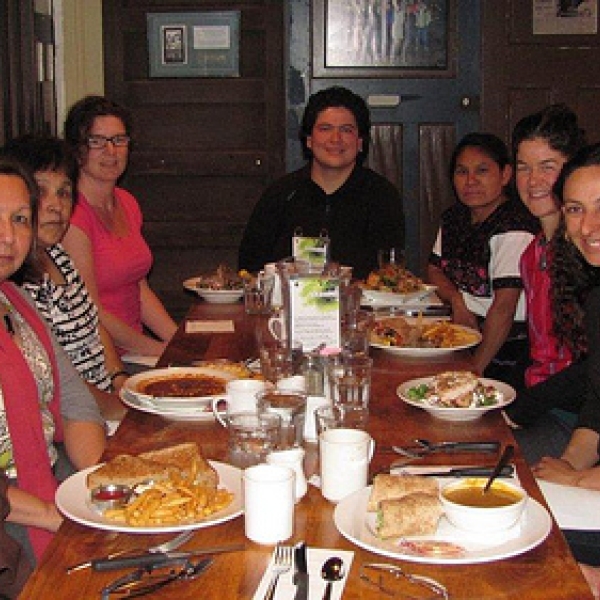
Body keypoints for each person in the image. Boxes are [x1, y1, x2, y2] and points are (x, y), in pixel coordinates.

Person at [0, 158, 105, 566]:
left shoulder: (17, 301)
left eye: (20, 219)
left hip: (50, 483)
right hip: (13, 523)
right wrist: (51, 516)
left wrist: (102, 484)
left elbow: (76, 403)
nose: (7, 236)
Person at [2, 134, 128, 422]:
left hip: (107, 399)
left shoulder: (58, 255)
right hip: (70, 423)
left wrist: (120, 379)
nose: (55, 205)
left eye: (64, 192)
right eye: (41, 191)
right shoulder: (17, 283)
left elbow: (92, 324)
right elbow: (61, 385)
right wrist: (122, 411)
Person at [238, 86, 405, 280]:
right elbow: (249, 267)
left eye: (346, 130)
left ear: (360, 142)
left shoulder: (382, 196)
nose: (336, 139)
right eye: (325, 129)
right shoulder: (280, 194)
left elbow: (390, 274)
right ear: (308, 139)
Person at [529, 142, 600, 596]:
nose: (588, 226)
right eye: (576, 209)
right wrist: (568, 464)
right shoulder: (597, 299)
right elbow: (598, 400)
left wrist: (578, 480)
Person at [500, 105, 590, 460]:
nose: (533, 181)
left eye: (547, 167)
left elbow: (588, 371)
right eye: (524, 167)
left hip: (576, 418)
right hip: (539, 404)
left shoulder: (586, 256)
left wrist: (518, 411)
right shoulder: (532, 253)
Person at [62, 95, 177, 361]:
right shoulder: (72, 216)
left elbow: (139, 288)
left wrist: (178, 340)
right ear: (77, 149)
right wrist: (160, 351)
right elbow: (91, 311)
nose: (111, 152)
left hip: (137, 352)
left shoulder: (127, 202)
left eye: (119, 140)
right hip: (102, 359)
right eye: (97, 142)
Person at [427, 132, 539, 387]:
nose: (471, 181)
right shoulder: (455, 218)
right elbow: (434, 269)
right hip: (462, 330)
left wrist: (474, 369)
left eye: (482, 171)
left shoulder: (514, 227)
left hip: (508, 347)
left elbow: (504, 309)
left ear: (506, 175)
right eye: (462, 172)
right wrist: (457, 300)